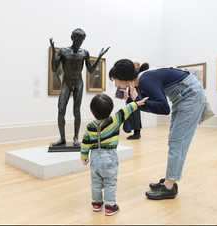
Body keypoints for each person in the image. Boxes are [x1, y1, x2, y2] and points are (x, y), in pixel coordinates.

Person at [109, 59, 207, 200]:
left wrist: (138, 101)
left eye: (115, 80)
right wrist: (133, 99)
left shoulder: (145, 80)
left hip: (191, 97)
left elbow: (163, 108)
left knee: (177, 141)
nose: (115, 84)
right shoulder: (140, 81)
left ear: (123, 79)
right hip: (183, 98)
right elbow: (144, 103)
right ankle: (170, 180)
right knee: (174, 140)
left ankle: (169, 186)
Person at [81, 93, 148, 216]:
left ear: (92, 111)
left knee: (95, 182)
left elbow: (85, 144)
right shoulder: (115, 120)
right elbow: (125, 110)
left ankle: (96, 203)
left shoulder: (90, 127)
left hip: (94, 159)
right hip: (109, 158)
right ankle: (110, 206)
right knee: (109, 183)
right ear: (110, 109)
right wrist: (137, 103)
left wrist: (84, 157)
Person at [49, 29, 110, 147]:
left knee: (76, 111)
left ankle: (76, 138)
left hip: (78, 83)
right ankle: (62, 139)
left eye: (82, 40)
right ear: (72, 38)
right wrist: (53, 50)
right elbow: (54, 68)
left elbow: (91, 70)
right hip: (66, 83)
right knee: (61, 109)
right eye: (77, 39)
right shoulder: (63, 51)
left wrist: (99, 57)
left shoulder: (84, 53)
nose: (80, 42)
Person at [123, 62, 149, 140]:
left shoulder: (138, 75)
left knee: (135, 114)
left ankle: (136, 133)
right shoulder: (134, 75)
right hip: (132, 96)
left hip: (135, 96)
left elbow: (135, 85)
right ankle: (132, 131)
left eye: (135, 66)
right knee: (131, 113)